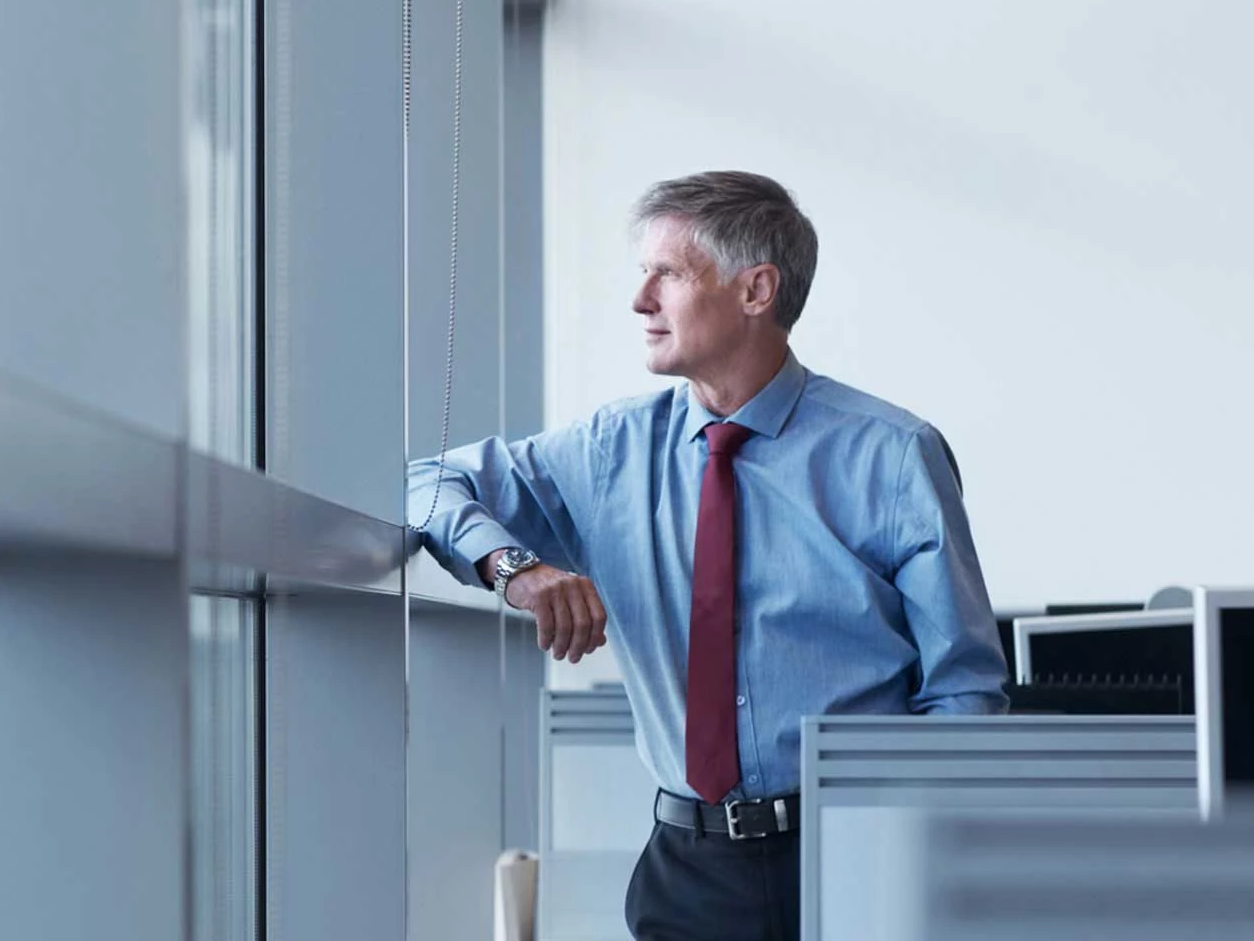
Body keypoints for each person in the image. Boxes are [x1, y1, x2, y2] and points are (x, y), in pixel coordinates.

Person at [408, 171, 1009, 940]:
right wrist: (513, 568)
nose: (641, 300)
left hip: (859, 859)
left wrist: (915, 861)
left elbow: (963, 695)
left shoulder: (891, 456)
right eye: (642, 274)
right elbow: (424, 483)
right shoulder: (609, 450)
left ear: (756, 290)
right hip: (688, 871)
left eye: (669, 274)